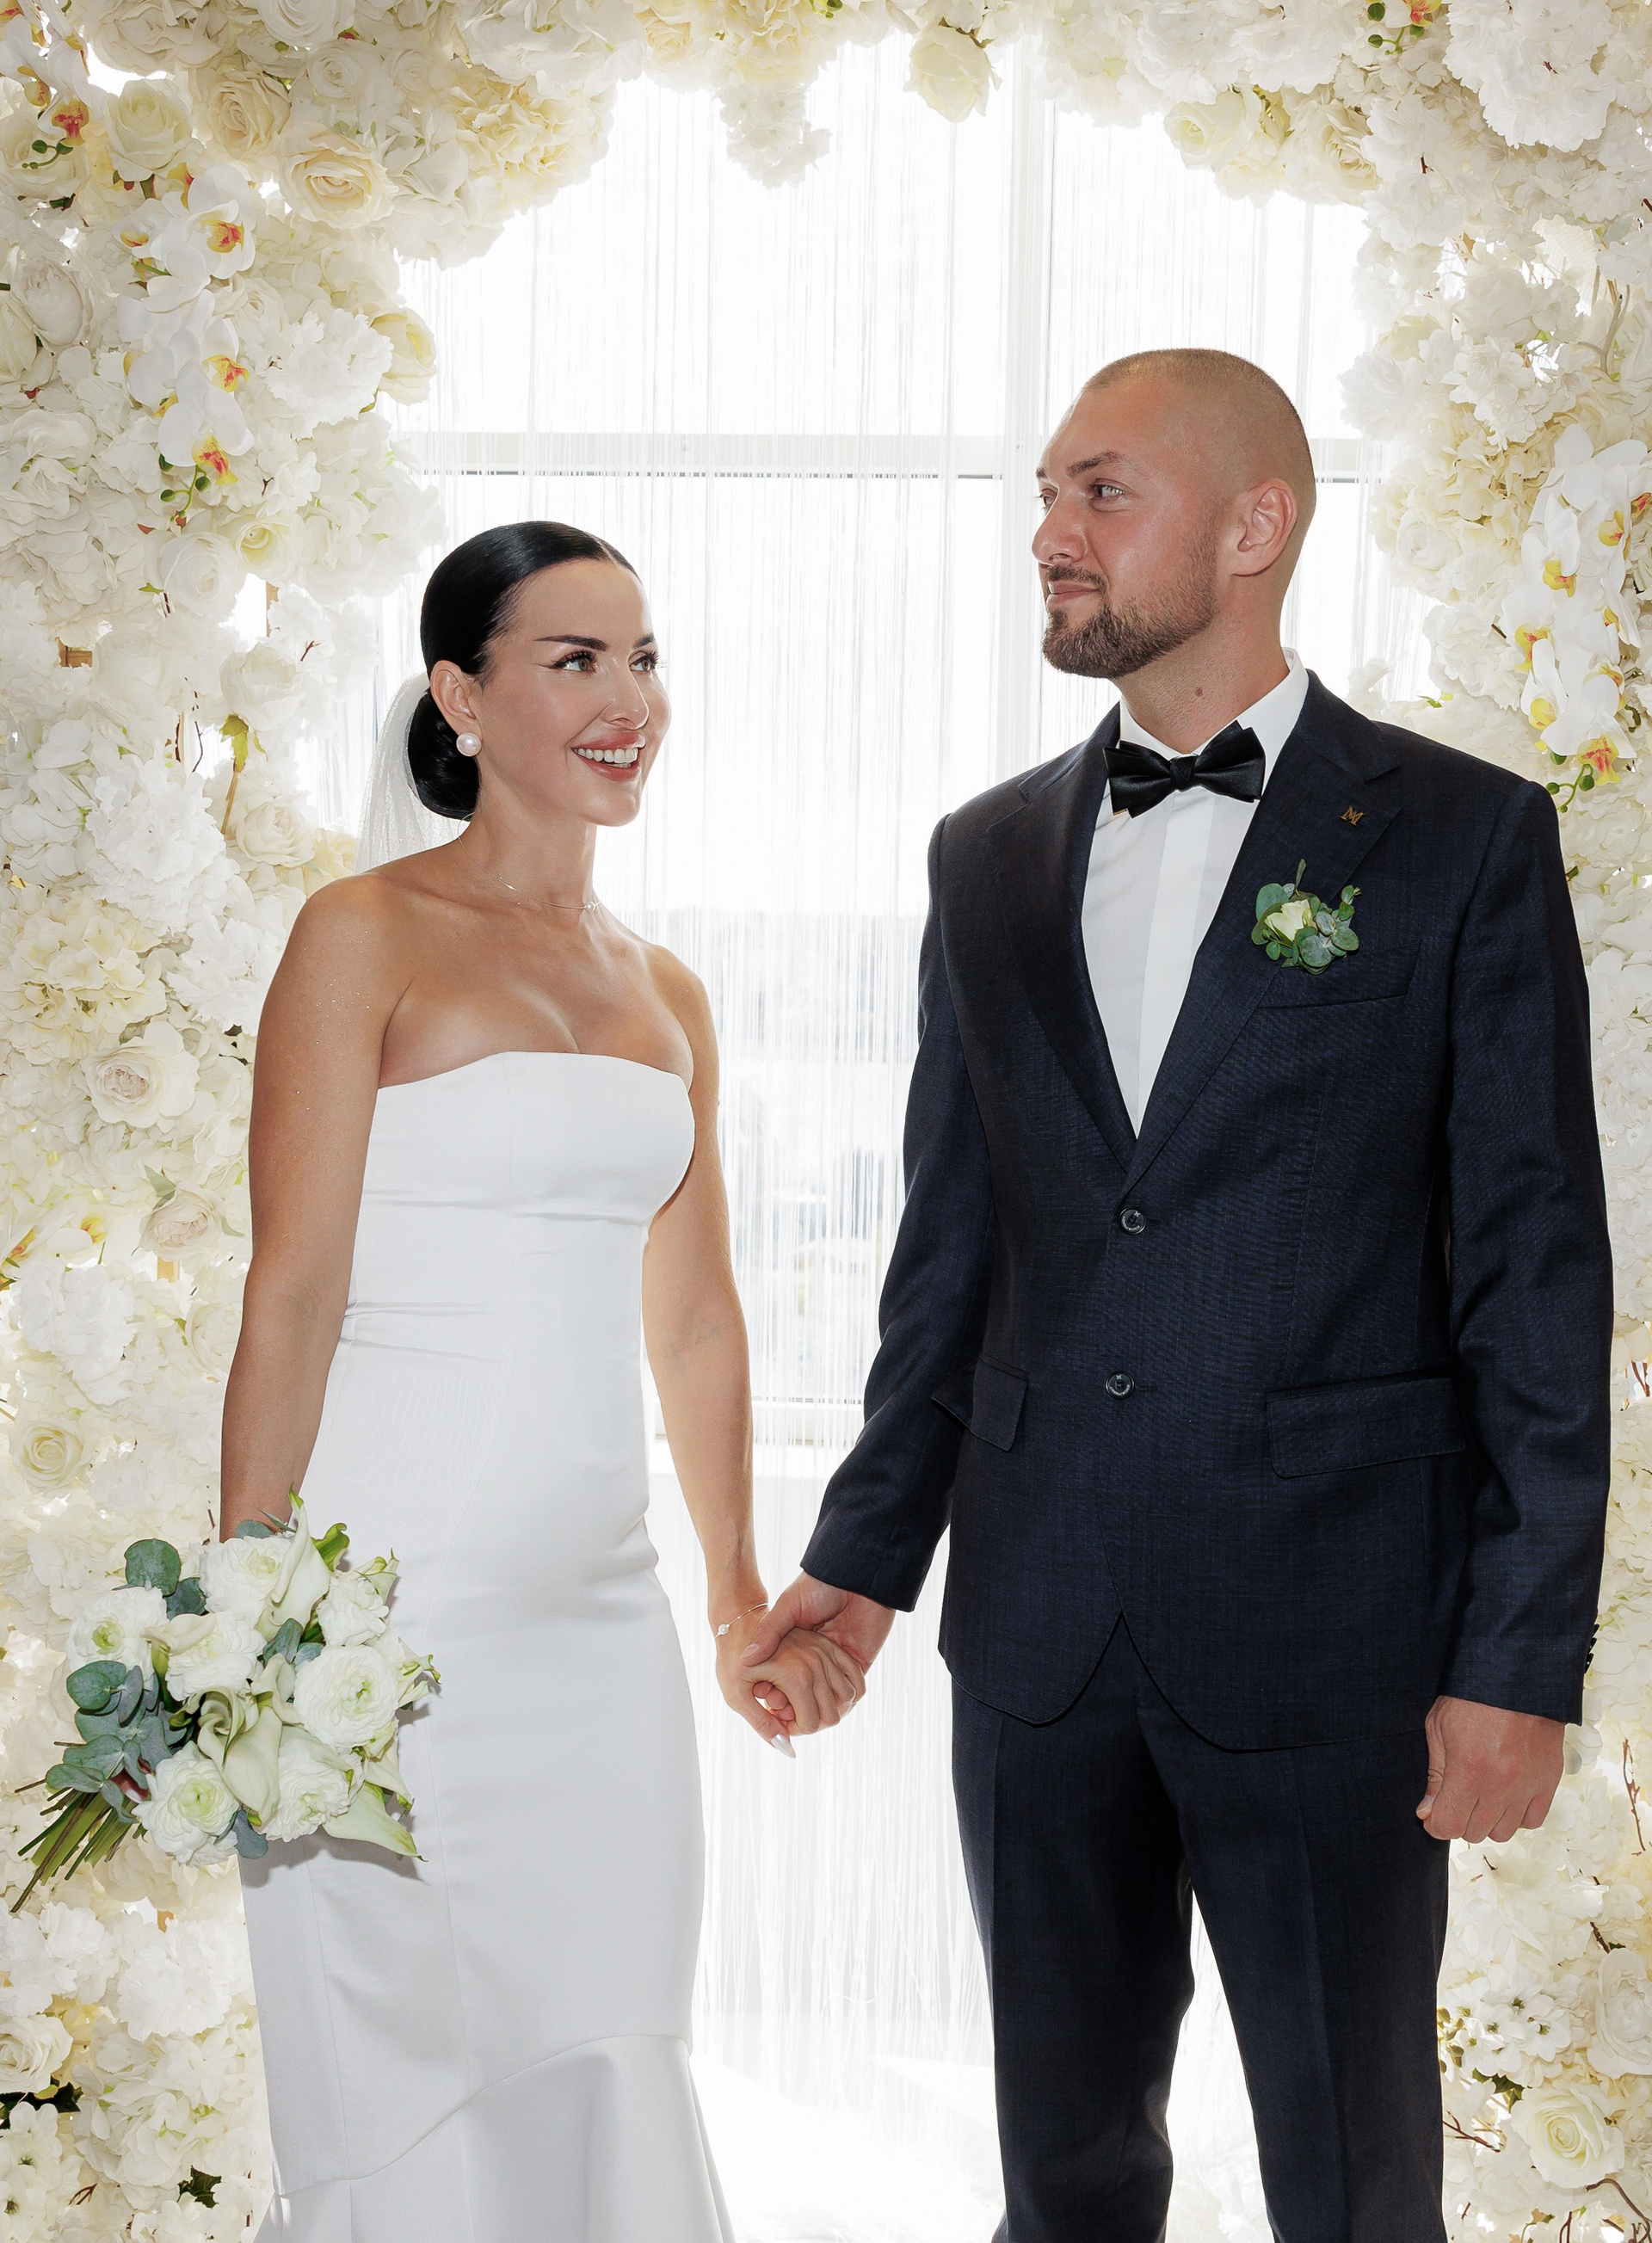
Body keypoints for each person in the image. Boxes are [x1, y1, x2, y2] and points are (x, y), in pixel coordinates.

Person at [747, 348, 1613, 2240]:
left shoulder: (1463, 836)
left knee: (1355, 2185)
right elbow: (949, 1255)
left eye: (1102, 491)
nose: (1051, 534)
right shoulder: (982, 855)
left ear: (1253, 526)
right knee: (1062, 2178)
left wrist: (1515, 1660)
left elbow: (1538, 1277)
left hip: (1336, 1638)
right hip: (1037, 1636)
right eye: (1046, 495)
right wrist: (865, 1563)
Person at [223, 521, 863, 2241]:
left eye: (643, 658)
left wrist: (734, 1589)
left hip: (597, 1629)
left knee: (610, 2036)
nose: (625, 698)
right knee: (397, 2069)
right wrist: (249, 1601)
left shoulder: (671, 993)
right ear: (459, 694)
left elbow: (698, 1320)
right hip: (380, 1606)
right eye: (573, 660)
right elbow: (292, 1288)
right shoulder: (361, 933)